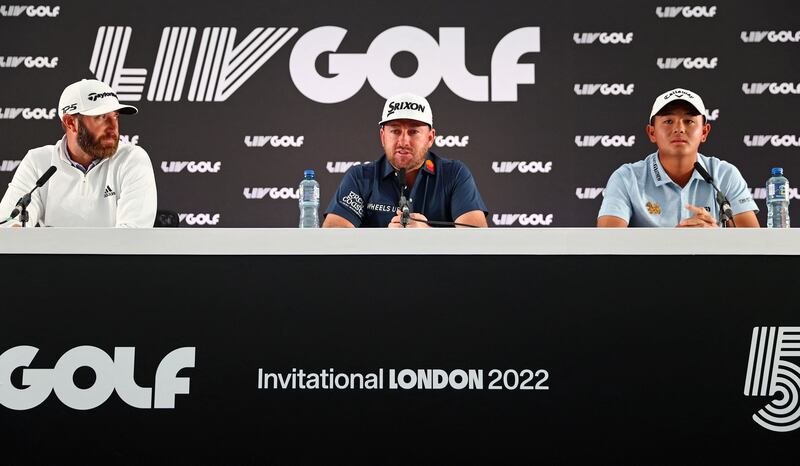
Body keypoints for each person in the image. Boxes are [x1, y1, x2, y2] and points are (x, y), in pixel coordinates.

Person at [0, 78, 157, 227]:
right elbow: (9, 224)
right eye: (101, 117)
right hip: (55, 256)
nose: (113, 128)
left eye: (115, 116)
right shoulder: (38, 161)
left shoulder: (132, 159)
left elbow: (133, 235)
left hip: (111, 256)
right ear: (70, 122)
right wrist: (15, 229)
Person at [597, 88, 759, 227]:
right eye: (668, 121)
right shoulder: (626, 178)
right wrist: (676, 241)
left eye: (689, 121)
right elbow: (607, 243)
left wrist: (715, 236)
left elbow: (753, 244)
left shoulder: (725, 174)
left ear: (704, 132)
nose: (679, 129)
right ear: (652, 132)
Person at [323, 92, 488, 228]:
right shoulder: (360, 177)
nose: (403, 142)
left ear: (430, 138)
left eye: (413, 132)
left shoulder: (454, 174)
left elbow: (477, 238)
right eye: (395, 131)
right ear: (382, 136)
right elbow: (332, 238)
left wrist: (430, 235)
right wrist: (386, 241)